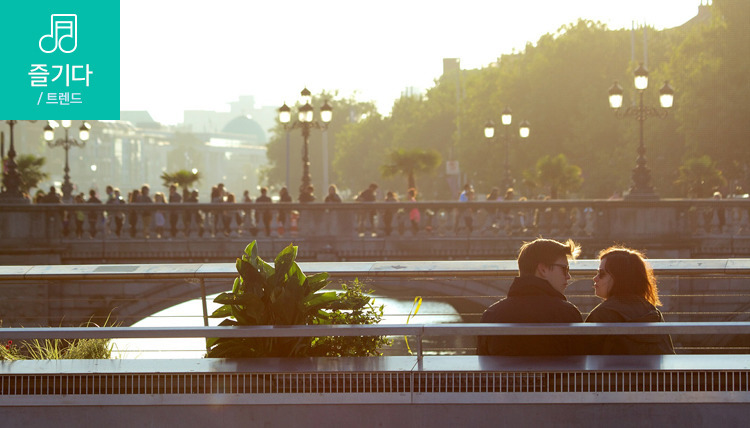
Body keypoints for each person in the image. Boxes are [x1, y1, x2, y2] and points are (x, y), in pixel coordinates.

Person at [477, 238, 584, 356]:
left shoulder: (492, 314)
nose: (568, 276)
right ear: (543, 269)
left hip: (508, 375)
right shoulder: (567, 314)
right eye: (564, 269)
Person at [585, 247, 675, 355]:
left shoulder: (602, 314)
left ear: (619, 278)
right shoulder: (652, 312)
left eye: (602, 273)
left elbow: (584, 358)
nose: (595, 278)